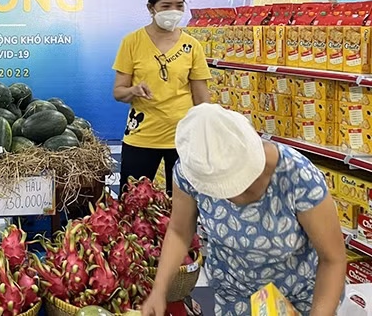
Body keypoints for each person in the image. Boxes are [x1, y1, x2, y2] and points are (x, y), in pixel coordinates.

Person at [142, 103, 346, 316]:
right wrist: (159, 290)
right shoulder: (190, 173)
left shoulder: (298, 177)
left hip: (299, 299)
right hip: (232, 295)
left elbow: (333, 259)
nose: (234, 196)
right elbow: (179, 231)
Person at [112, 0, 210, 194]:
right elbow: (118, 92)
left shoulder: (191, 46)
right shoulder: (132, 42)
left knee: (183, 207)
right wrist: (133, 91)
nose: (174, 11)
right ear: (151, 8)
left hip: (184, 138)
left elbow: (202, 97)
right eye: (166, 6)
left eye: (179, 5)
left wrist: (208, 130)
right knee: (134, 205)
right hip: (142, 137)